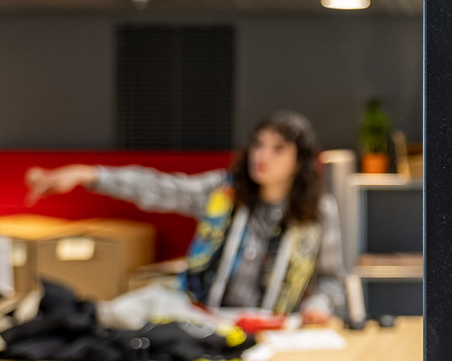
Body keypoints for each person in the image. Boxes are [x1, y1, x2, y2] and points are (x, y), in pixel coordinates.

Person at [24, 111, 346, 325]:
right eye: (258, 145)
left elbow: (332, 282)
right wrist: (89, 174)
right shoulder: (222, 192)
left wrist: (319, 306)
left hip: (271, 326)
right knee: (115, 313)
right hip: (199, 312)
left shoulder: (318, 213)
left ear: (299, 161)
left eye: (278, 149)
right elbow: (160, 188)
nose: (262, 156)